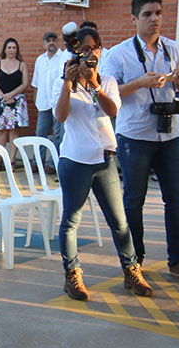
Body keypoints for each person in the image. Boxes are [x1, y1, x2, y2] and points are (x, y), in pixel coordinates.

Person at [101, 0, 179, 284]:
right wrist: (139, 83)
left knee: (177, 201)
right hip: (135, 135)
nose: (154, 19)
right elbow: (107, 94)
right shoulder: (118, 53)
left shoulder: (173, 49)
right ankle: (135, 261)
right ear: (134, 19)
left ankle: (178, 260)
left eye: (158, 13)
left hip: (170, 134)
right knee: (133, 200)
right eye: (147, 14)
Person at [51, 28, 155, 301]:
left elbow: (113, 111)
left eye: (95, 48)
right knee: (71, 221)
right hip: (75, 159)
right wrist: (67, 83)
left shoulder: (107, 80)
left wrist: (94, 83)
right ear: (76, 53)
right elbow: (60, 117)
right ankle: (72, 275)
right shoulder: (63, 80)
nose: (90, 54)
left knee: (119, 222)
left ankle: (132, 271)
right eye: (84, 49)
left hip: (106, 158)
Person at [0, 38, 30, 171]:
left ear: (17, 50)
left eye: (14, 47)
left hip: (16, 102)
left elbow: (25, 84)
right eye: (9, 47)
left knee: (14, 132)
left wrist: (11, 95)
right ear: (5, 49)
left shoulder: (21, 65)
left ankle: (12, 160)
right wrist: (3, 97)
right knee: (0, 132)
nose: (11, 50)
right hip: (0, 101)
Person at [32, 32, 69, 173]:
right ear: (44, 44)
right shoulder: (40, 60)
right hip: (43, 103)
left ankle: (54, 163)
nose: (51, 43)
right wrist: (36, 103)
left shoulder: (63, 57)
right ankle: (37, 163)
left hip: (58, 103)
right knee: (40, 134)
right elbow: (35, 84)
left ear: (58, 42)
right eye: (48, 41)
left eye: (54, 40)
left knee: (59, 135)